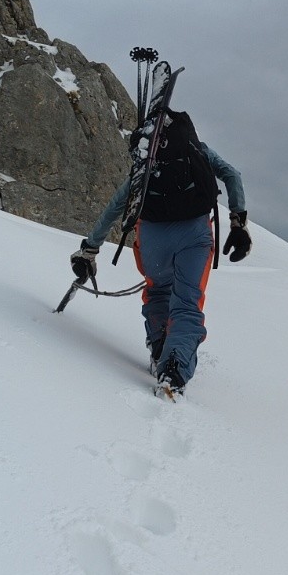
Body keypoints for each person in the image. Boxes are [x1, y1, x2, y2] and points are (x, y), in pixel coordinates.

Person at [69, 109, 250, 397]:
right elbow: (232, 175)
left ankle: (159, 348)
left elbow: (117, 204)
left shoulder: (147, 162)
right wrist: (238, 222)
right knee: (187, 302)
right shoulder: (197, 151)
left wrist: (90, 248)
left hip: (152, 237)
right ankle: (174, 369)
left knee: (157, 291)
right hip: (195, 235)